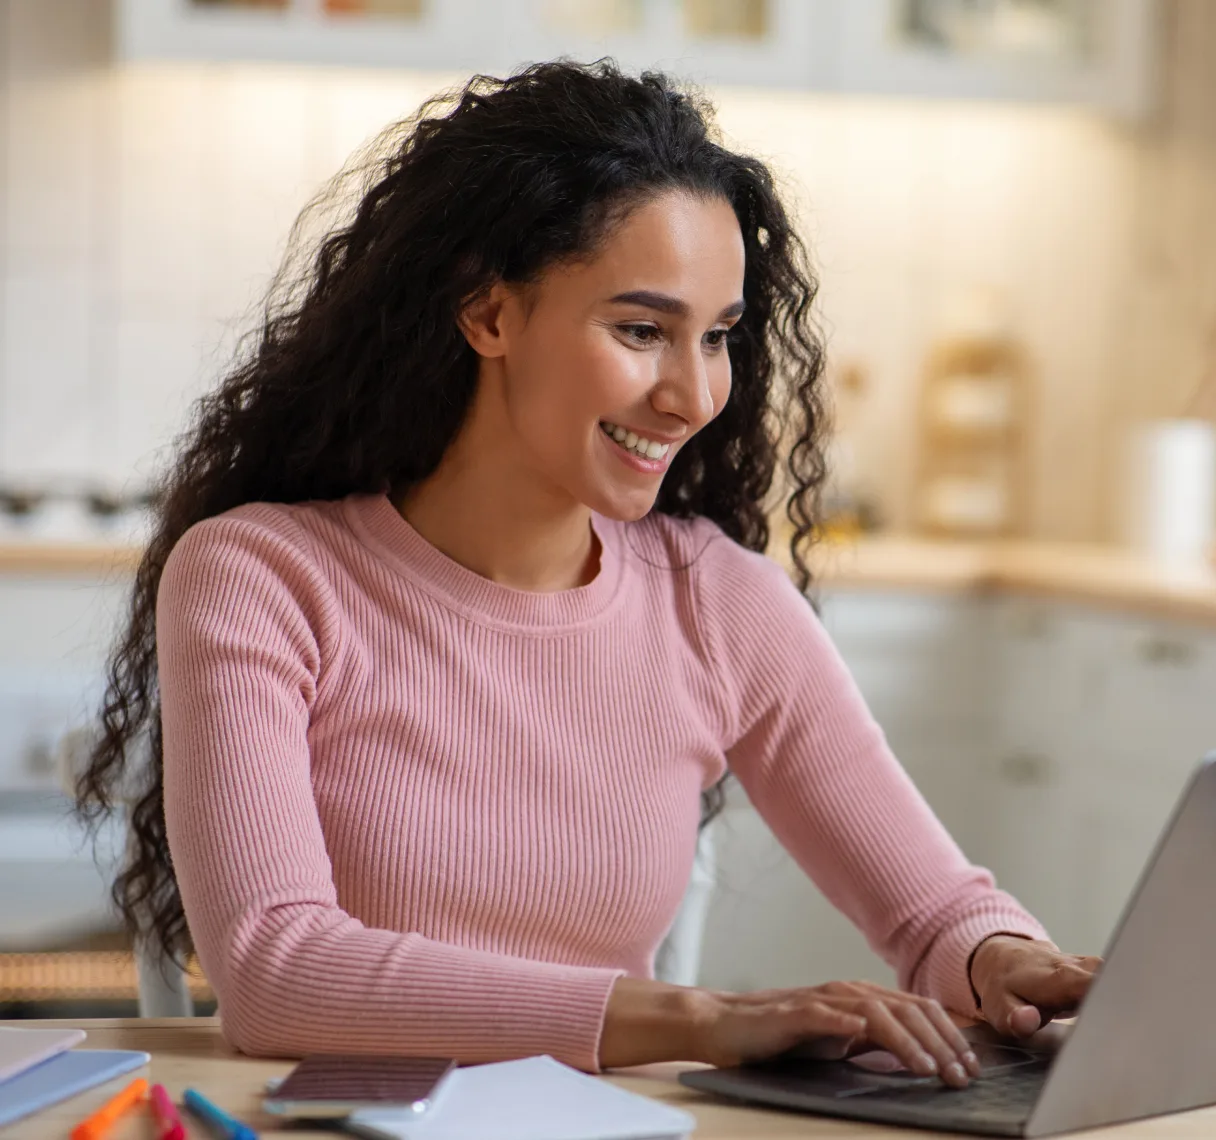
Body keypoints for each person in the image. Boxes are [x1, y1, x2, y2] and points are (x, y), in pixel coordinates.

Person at [72, 60, 1098, 1086]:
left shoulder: (718, 602)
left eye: (719, 338)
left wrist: (1009, 961)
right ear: (489, 314)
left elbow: (931, 909)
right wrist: (697, 1020)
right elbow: (276, 974)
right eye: (642, 330)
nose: (692, 395)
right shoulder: (264, 576)